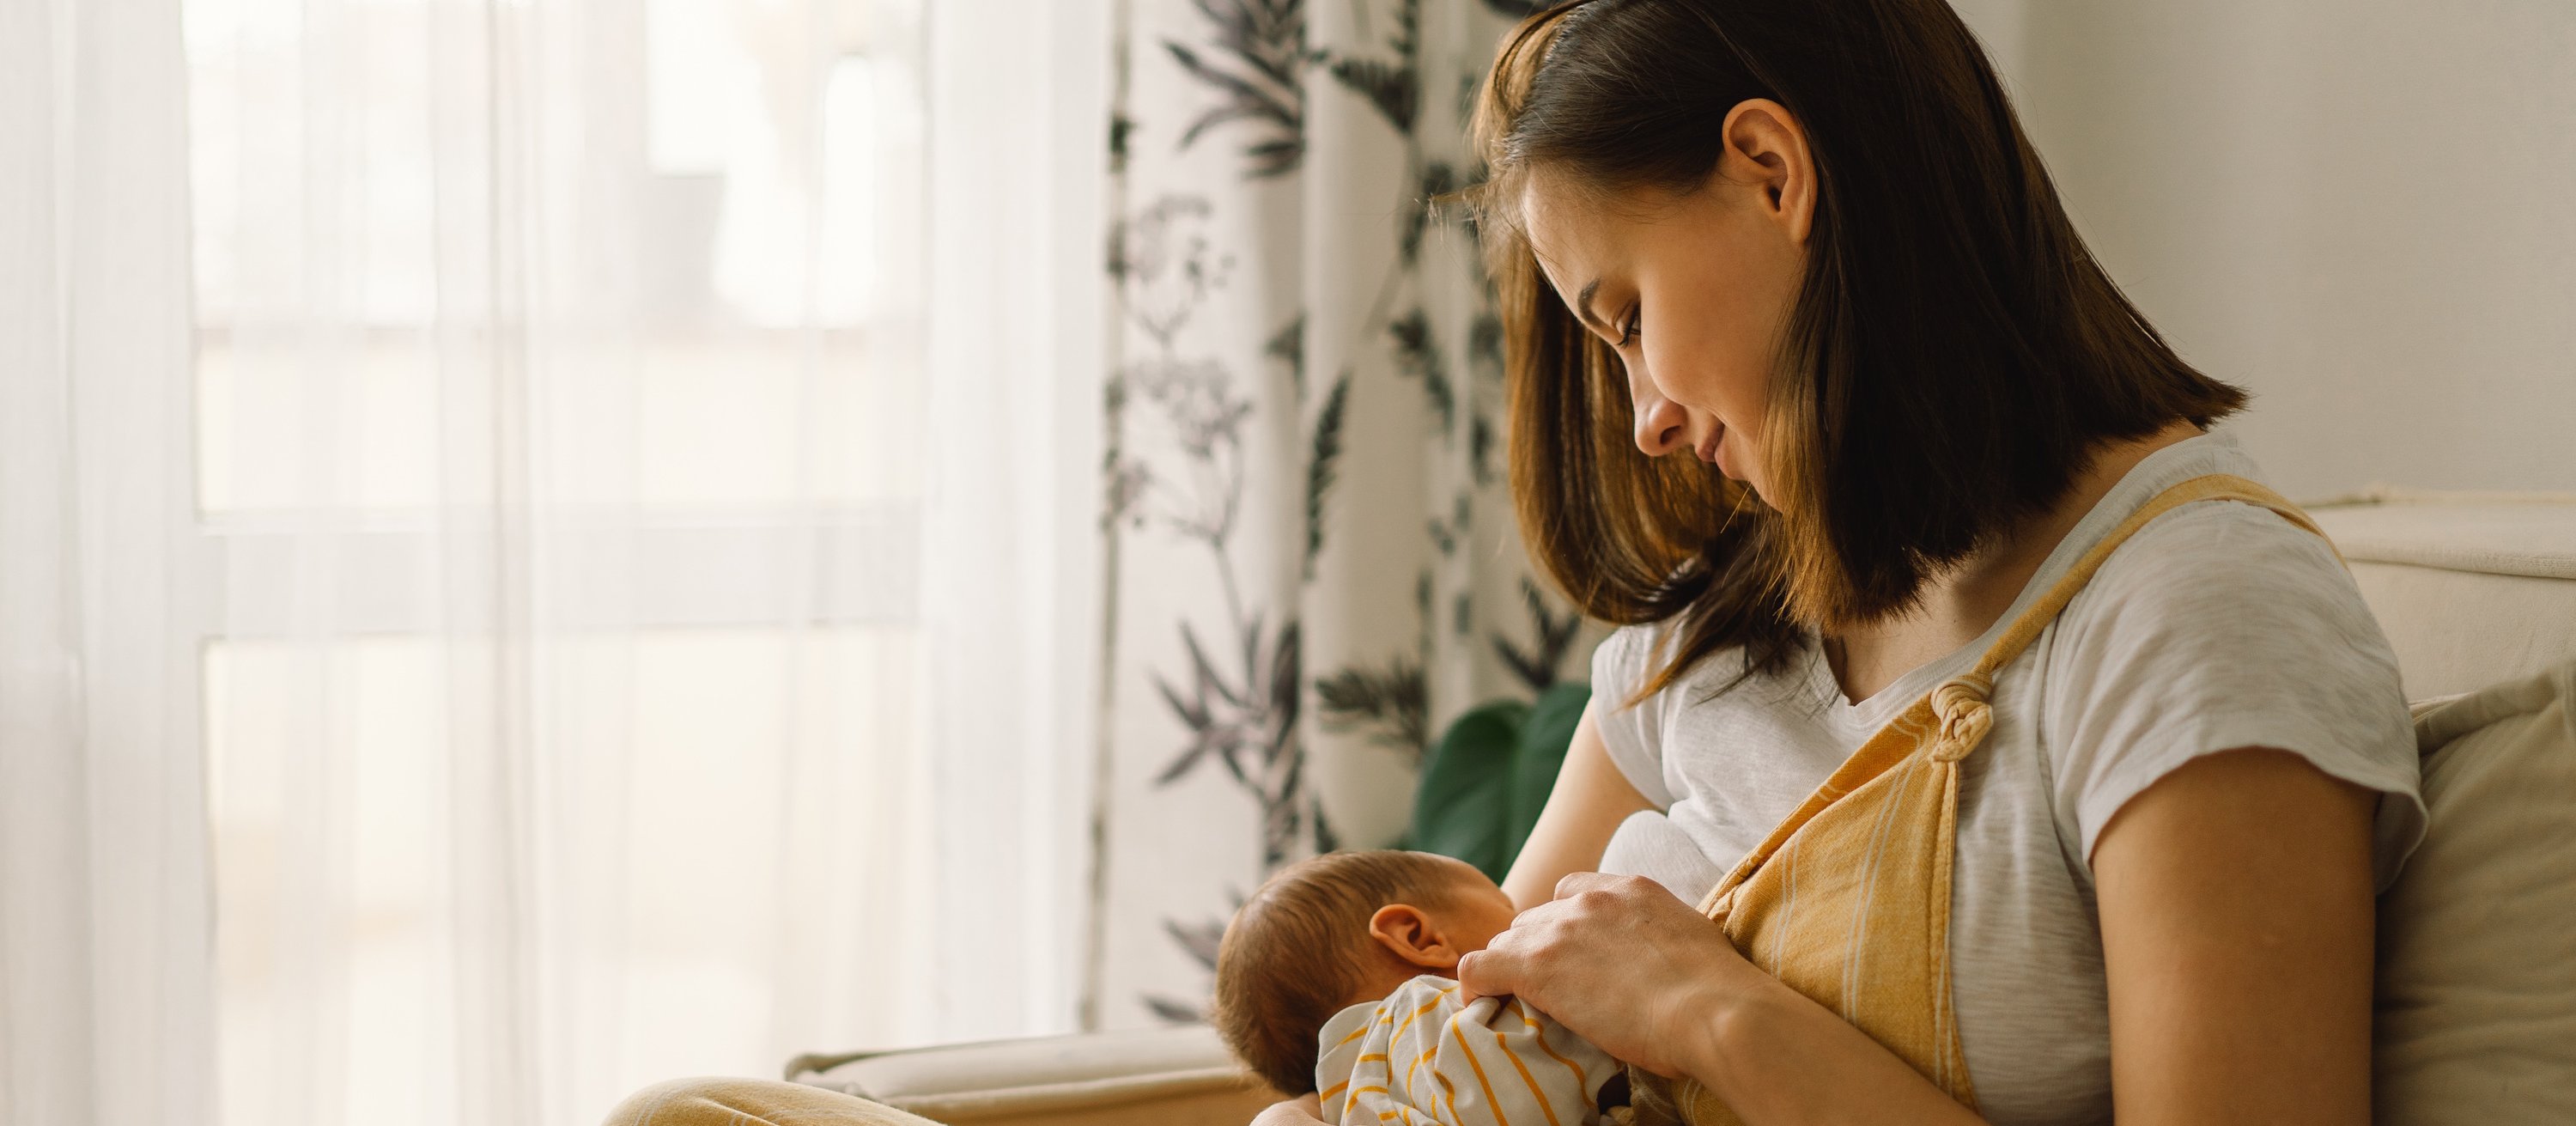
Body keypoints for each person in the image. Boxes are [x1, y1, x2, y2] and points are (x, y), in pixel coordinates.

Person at [606, 2, 2421, 1123]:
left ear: (1774, 172)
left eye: (1627, 316)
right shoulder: (1718, 634)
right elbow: (1482, 1008)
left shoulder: (2188, 623)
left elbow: (1624, 989)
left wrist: (1716, 1013)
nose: (1640, 416)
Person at [1209, 850, 1625, 1126]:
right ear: (1420, 939)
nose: (1530, 919)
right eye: (1510, 910)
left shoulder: (1347, 1100)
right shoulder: (1433, 1012)